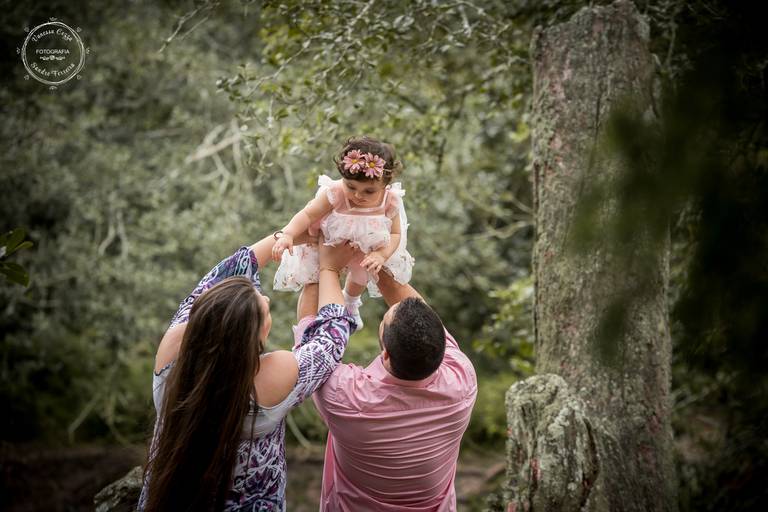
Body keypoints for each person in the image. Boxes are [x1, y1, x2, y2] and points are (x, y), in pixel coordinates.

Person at [137, 233, 356, 512]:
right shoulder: (270, 379)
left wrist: (289, 233)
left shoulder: (174, 348)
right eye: (265, 309)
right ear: (255, 338)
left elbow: (223, 275)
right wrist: (329, 269)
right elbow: (330, 340)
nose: (266, 296)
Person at [297, 254, 478, 511]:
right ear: (443, 344)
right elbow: (418, 311)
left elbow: (309, 336)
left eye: (383, 322)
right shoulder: (462, 380)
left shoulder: (346, 397)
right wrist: (368, 254)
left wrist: (325, 263)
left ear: (385, 354)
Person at [272, 136, 415, 330]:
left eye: (369, 191)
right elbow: (307, 214)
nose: (358, 195)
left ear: (385, 183)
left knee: (362, 274)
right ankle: (305, 330)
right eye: (351, 186)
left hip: (364, 248)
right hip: (329, 245)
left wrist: (381, 255)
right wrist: (288, 234)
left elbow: (396, 234)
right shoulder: (335, 193)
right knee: (313, 283)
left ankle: (350, 301)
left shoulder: (390, 200)